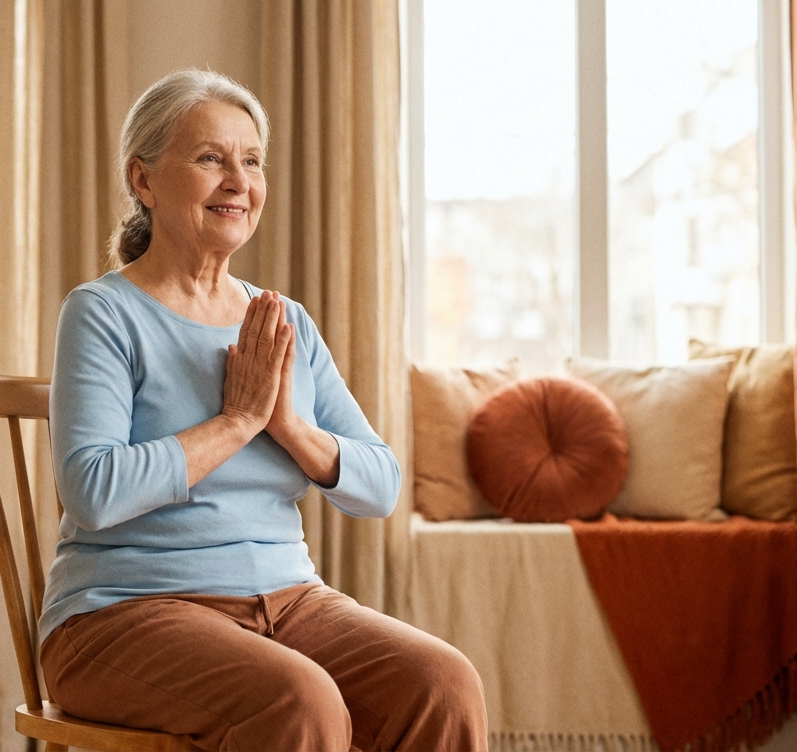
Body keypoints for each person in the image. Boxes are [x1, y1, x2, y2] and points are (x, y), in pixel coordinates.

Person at [41, 69, 487, 752]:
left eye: (251, 161)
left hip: (290, 600)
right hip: (121, 613)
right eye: (210, 158)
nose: (238, 182)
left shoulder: (284, 323)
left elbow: (381, 484)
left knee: (443, 683)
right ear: (143, 180)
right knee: (300, 700)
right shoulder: (103, 312)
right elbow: (92, 491)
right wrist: (236, 423)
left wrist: (291, 429)